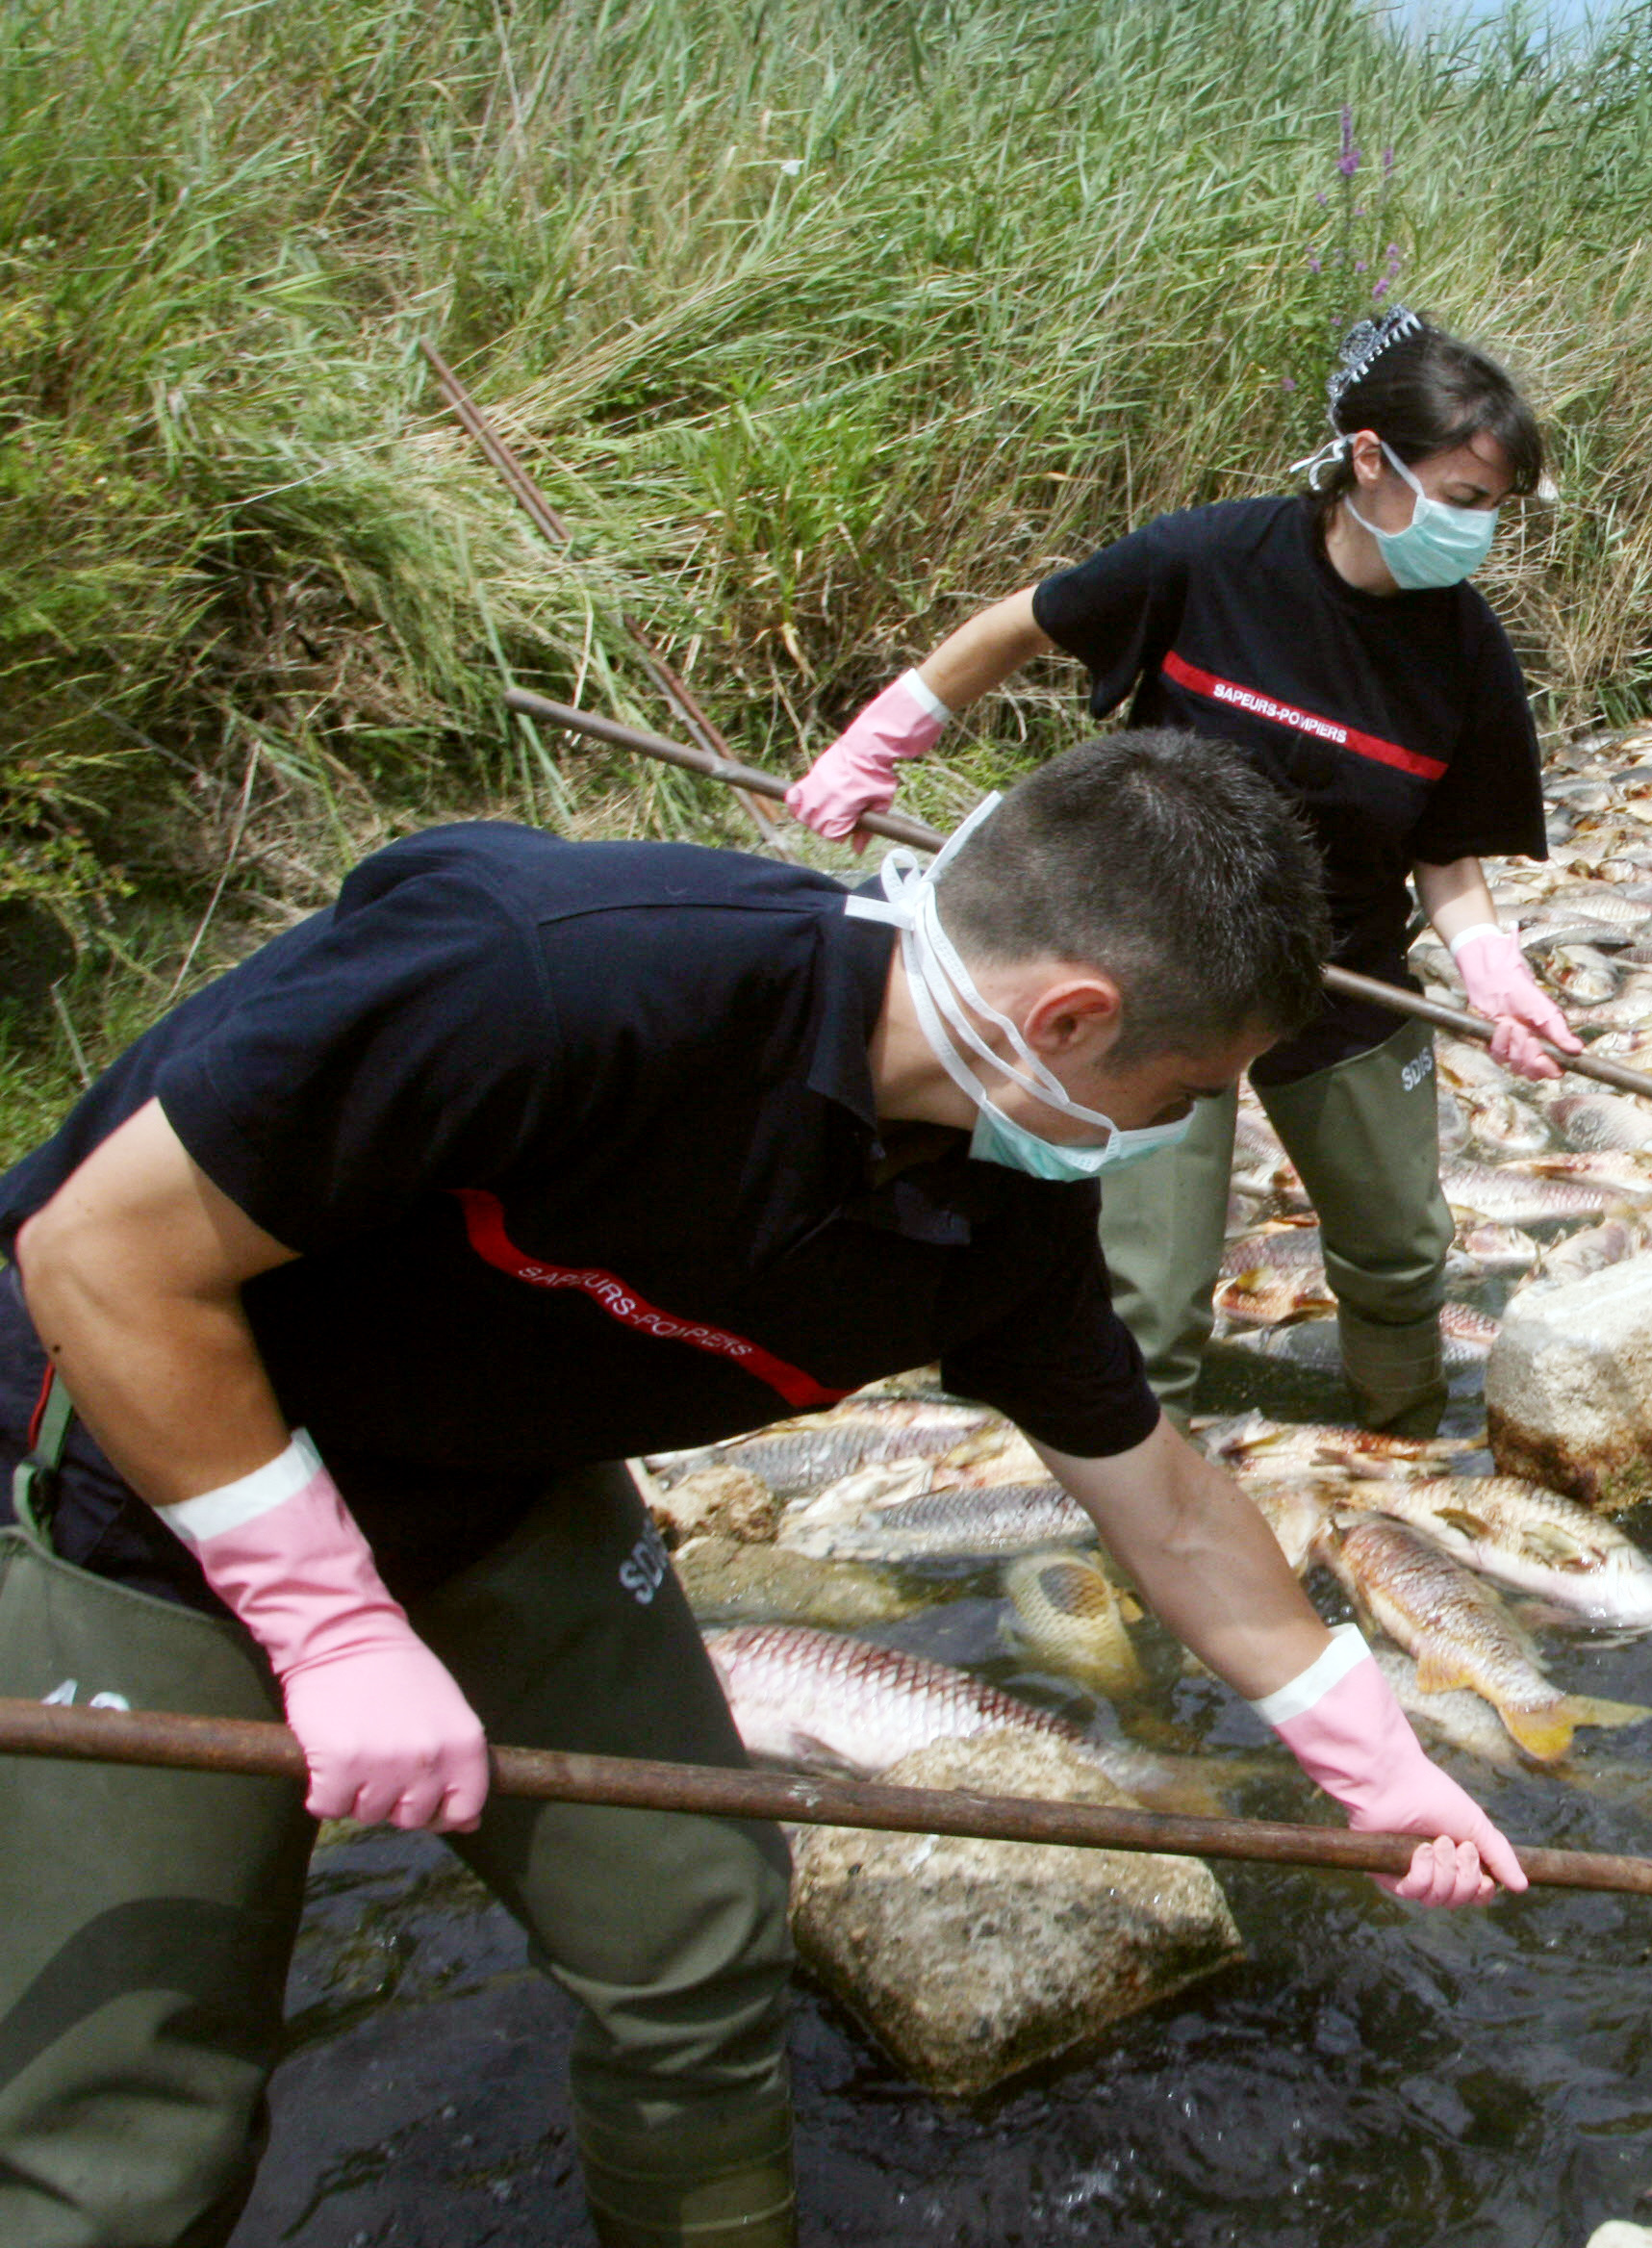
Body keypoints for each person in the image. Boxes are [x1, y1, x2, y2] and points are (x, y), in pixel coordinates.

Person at [0, 731, 1525, 2248]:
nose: (1191, 1132)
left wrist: (1372, 1758)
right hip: (154, 1472)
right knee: (137, 2107)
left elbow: (1169, 1505)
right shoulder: (564, 985)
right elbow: (99, 1256)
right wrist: (330, 1627)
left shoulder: (999, 1214)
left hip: (501, 1483)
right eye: (1191, 1090)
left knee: (695, 1934)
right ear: (1069, 1017)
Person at [787, 309, 1580, 1439]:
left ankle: (1401, 1443)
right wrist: (886, 737)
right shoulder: (1214, 560)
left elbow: (1444, 857)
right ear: (1370, 459)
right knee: (1146, 1292)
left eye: (1492, 509)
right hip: (1165, 963)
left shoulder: (1467, 655)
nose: (1476, 530)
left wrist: (1492, 966)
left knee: (1401, 1247)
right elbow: (1025, 622)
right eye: (1461, 498)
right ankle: (1124, 1517)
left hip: (1340, 968)